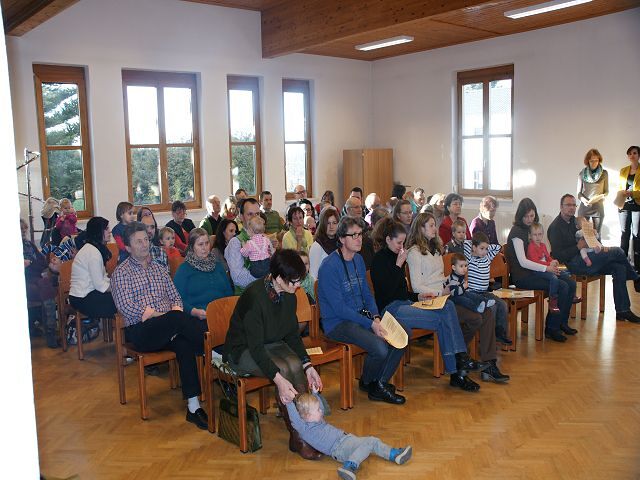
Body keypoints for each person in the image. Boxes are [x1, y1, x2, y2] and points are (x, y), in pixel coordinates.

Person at [224, 249, 324, 460]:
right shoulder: (254, 297)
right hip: (243, 349)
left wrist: (308, 365)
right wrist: (278, 380)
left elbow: (292, 335)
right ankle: (297, 436)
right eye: (294, 281)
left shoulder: (289, 295)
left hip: (271, 343)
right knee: (283, 370)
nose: (298, 285)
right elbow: (256, 348)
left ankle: (309, 428)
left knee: (295, 364)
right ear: (279, 278)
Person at [370, 218, 490, 390]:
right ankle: (458, 369)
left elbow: (402, 292)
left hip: (406, 304)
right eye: (399, 243)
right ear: (388, 239)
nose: (401, 247)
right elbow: (386, 294)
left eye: (403, 242)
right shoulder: (379, 260)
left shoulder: (397, 257)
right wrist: (397, 266)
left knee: (448, 307)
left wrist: (418, 297)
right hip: (390, 310)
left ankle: (460, 363)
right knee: (444, 320)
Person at [111, 222, 208, 430]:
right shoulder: (121, 273)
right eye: (138, 241)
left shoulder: (159, 268)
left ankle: (193, 407)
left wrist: (172, 315)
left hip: (170, 327)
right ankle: (213, 348)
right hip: (142, 331)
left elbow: (176, 297)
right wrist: (162, 315)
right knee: (179, 320)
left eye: (146, 239)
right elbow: (126, 307)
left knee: (184, 343)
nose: (144, 244)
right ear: (127, 247)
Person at [406, 212, 507, 386]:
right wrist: (441, 292)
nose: (435, 228)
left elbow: (440, 277)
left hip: (446, 294)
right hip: (432, 299)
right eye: (431, 225)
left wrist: (452, 282)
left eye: (435, 225)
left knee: (487, 312)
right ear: (420, 228)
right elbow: (417, 287)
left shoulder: (435, 248)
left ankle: (489, 364)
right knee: (476, 317)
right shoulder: (414, 253)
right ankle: (457, 357)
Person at [318, 216, 406, 404]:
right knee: (380, 347)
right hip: (338, 323)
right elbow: (339, 309)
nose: (359, 239)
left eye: (360, 234)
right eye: (354, 235)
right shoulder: (329, 266)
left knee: (400, 336)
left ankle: (378, 383)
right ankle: (368, 382)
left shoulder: (358, 259)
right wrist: (370, 324)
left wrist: (376, 317)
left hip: (361, 318)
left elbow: (367, 294)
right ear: (342, 239)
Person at [548, 194, 640, 324]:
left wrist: (593, 236)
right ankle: (636, 279)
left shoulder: (575, 221)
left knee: (619, 268)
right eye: (568, 205)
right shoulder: (555, 227)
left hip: (589, 258)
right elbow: (558, 256)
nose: (572, 208)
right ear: (561, 207)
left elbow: (586, 238)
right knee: (618, 251)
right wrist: (578, 247)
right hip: (576, 264)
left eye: (574, 205)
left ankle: (623, 310)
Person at [287, 392, 412, 480]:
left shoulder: (318, 420)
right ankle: (350, 465)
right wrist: (288, 403)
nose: (321, 411)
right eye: (318, 409)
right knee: (371, 441)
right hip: (338, 448)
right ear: (307, 415)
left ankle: (395, 455)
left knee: (372, 442)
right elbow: (295, 420)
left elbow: (323, 410)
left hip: (346, 440)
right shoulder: (305, 429)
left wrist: (315, 393)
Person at [505, 198, 577, 342]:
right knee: (562, 286)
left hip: (535, 271)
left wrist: (550, 264)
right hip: (523, 276)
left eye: (532, 215)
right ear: (520, 216)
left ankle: (562, 322)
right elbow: (523, 262)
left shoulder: (531, 228)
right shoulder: (517, 232)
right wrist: (546, 268)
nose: (529, 219)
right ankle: (552, 328)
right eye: (526, 216)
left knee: (571, 283)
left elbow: (540, 254)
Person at [463, 232, 512, 346]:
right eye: (482, 248)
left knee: (503, 305)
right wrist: (475, 244)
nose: (485, 251)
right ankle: (487, 338)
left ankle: (500, 334)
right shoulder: (469, 258)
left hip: (485, 292)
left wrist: (485, 246)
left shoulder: (487, 257)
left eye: (486, 249)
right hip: (472, 293)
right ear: (474, 247)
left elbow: (497, 247)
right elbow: (465, 244)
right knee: (492, 308)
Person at [173, 228, 233, 321]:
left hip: (222, 314)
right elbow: (176, 299)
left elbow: (228, 293)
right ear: (192, 247)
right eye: (200, 244)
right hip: (196, 317)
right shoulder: (184, 269)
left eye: (207, 243)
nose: (204, 248)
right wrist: (193, 311)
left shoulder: (218, 266)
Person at [69, 216, 117, 321]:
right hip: (82, 298)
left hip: (88, 294)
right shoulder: (92, 252)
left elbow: (102, 278)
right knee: (123, 300)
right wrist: (119, 288)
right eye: (106, 229)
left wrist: (117, 285)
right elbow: (100, 285)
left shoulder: (94, 248)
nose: (109, 231)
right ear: (98, 232)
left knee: (124, 298)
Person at [21, 218, 58, 347]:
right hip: (24, 281)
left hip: (36, 278)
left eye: (24, 230)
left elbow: (42, 262)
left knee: (46, 284)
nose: (23, 232)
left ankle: (50, 330)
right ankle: (50, 332)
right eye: (21, 230)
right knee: (45, 286)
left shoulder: (29, 245)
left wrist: (31, 263)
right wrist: (32, 264)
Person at [526, 222, 576, 313]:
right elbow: (535, 261)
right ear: (530, 236)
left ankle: (572, 296)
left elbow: (548, 257)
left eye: (540, 234)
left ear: (543, 234)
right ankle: (553, 300)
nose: (537, 237)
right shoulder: (531, 247)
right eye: (535, 235)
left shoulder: (543, 245)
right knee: (553, 278)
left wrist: (553, 261)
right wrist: (549, 264)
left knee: (565, 273)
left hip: (547, 268)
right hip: (537, 270)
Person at [226, 197, 261, 293]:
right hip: (247, 296)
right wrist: (264, 278)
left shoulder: (264, 239)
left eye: (257, 214)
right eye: (250, 214)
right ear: (241, 217)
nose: (254, 218)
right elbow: (238, 278)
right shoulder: (235, 243)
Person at [618, 145, 640, 273]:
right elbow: (620, 188)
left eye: (634, 153)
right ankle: (623, 266)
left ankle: (637, 268)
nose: (632, 155)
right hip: (624, 206)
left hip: (637, 206)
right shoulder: (623, 170)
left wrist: (632, 193)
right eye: (630, 154)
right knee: (624, 234)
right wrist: (623, 193)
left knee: (636, 235)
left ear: (638, 155)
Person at [576, 148, 609, 234]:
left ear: (599, 160)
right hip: (584, 207)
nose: (594, 163)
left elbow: (606, 191)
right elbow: (578, 193)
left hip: (598, 208)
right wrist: (584, 200)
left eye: (596, 160)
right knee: (583, 235)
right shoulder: (582, 173)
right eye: (591, 161)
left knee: (596, 235)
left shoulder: (604, 173)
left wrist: (601, 196)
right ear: (587, 161)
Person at [309, 207, 340, 279]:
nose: (331, 226)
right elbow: (313, 276)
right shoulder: (317, 246)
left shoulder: (341, 242)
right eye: (328, 223)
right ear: (323, 225)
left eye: (334, 223)